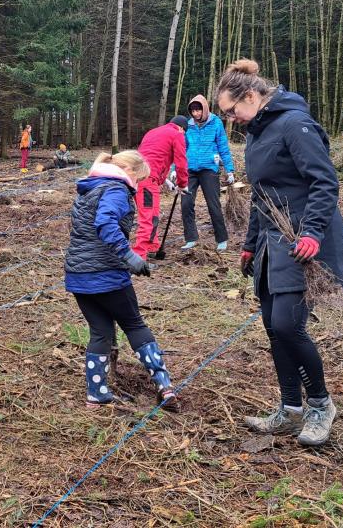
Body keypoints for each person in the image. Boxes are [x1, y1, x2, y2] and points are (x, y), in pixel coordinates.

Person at [217, 58, 343, 447]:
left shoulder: (295, 124)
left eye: (232, 110)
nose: (231, 119)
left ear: (252, 96)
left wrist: (312, 233)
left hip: (304, 241)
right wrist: (248, 245)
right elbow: (262, 198)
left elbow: (324, 182)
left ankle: (321, 405)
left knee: (290, 326)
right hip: (271, 245)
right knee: (274, 326)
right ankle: (290, 409)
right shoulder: (257, 133)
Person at [64, 151, 179, 410]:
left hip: (78, 276)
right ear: (128, 171)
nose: (138, 186)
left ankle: (97, 394)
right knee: (134, 325)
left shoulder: (89, 187)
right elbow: (105, 223)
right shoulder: (116, 189)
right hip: (106, 274)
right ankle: (165, 386)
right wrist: (130, 257)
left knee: (100, 332)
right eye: (139, 180)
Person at [181, 95, 236, 252]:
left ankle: (221, 239)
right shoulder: (188, 125)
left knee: (213, 205)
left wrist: (229, 170)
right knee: (186, 204)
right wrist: (174, 170)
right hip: (190, 169)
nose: (196, 114)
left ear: (204, 109)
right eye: (193, 111)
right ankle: (191, 238)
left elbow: (223, 147)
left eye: (198, 110)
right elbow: (180, 148)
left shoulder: (215, 123)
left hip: (209, 169)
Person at [133, 116, 189, 259]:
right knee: (147, 218)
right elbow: (181, 161)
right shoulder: (177, 134)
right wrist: (182, 184)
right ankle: (138, 258)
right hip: (147, 181)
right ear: (182, 128)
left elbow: (153, 157)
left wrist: (165, 180)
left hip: (137, 178)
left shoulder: (153, 132)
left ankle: (152, 247)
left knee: (153, 214)